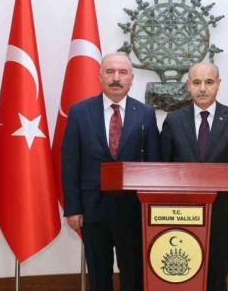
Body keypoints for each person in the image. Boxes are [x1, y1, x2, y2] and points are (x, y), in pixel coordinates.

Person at [62, 52, 160, 291]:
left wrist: (152, 209)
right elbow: (70, 163)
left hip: (133, 210)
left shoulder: (146, 113)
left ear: (132, 78)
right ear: (100, 76)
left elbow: (154, 164)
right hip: (92, 209)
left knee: (133, 276)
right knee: (98, 276)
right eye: (110, 72)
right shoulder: (79, 112)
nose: (116, 78)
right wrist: (73, 208)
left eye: (123, 72)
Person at [160, 62, 228, 291]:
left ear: (218, 84)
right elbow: (163, 168)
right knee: (184, 271)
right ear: (188, 85)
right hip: (180, 212)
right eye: (197, 82)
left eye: (209, 82)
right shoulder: (173, 120)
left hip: (222, 211)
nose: (202, 88)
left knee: (216, 273)